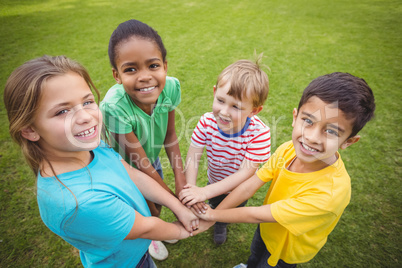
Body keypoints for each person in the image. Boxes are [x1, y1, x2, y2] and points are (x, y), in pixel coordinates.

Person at [4, 55, 200, 268]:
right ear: (30, 129)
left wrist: (177, 208)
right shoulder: (78, 204)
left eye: (87, 102)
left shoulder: (93, 146)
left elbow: (132, 174)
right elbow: (145, 228)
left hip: (137, 248)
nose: (85, 117)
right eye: (62, 111)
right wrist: (184, 229)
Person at [193, 72, 376, 267]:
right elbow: (250, 186)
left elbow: (257, 214)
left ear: (348, 141)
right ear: (295, 117)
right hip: (266, 229)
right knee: (255, 255)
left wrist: (211, 216)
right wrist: (213, 215)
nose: (312, 137)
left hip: (286, 251)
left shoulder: (330, 194)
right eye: (308, 121)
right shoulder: (289, 149)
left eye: (331, 131)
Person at [100, 20, 187, 260]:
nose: (145, 77)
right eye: (131, 69)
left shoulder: (170, 88)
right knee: (147, 209)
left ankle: (157, 227)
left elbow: (170, 136)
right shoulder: (113, 107)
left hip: (151, 159)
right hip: (124, 170)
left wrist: (181, 183)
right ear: (116, 75)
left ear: (165, 66)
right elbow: (139, 163)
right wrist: (173, 200)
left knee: (155, 206)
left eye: (153, 65)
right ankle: (151, 237)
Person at [179, 57, 271, 244]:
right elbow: (193, 156)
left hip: (238, 189)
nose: (224, 112)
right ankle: (214, 213)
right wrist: (192, 189)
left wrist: (204, 192)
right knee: (213, 203)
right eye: (221, 100)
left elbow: (246, 173)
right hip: (214, 179)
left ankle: (220, 223)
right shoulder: (206, 122)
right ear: (214, 92)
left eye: (236, 107)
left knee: (225, 211)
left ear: (254, 111)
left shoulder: (259, 134)